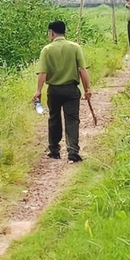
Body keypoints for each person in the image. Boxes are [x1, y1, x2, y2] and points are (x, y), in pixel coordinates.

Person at [33, 20, 92, 162]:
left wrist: (38, 91)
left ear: (51, 33)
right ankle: (73, 151)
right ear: (64, 33)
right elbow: (82, 70)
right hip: (71, 90)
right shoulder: (75, 47)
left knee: (54, 118)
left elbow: (43, 73)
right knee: (72, 120)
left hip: (54, 90)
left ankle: (54, 150)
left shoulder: (47, 50)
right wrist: (87, 89)